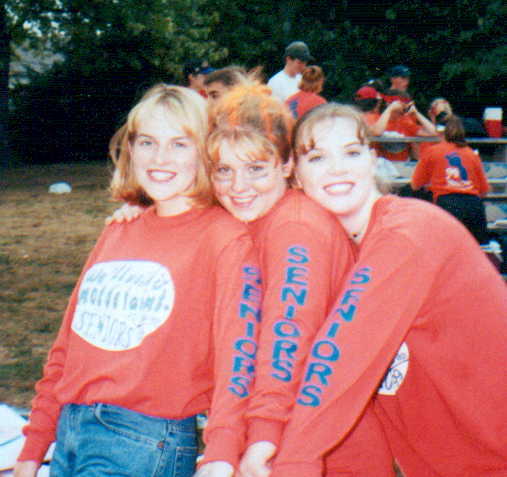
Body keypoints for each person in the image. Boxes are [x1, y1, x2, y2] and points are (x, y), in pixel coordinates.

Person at [14, 85, 260, 477]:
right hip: (71, 435)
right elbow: (69, 348)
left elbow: (238, 356)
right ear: (131, 149)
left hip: (144, 439)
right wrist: (33, 448)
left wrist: (222, 452)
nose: (160, 158)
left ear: (205, 152)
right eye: (148, 142)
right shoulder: (120, 230)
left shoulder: (223, 237)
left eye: (180, 144)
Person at [267, 103, 507, 477]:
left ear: (372, 159)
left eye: (351, 152)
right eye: (317, 157)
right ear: (295, 175)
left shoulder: (407, 232)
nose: (337, 169)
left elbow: (340, 356)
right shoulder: (345, 251)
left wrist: (293, 463)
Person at [207, 83, 394, 477]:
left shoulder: (295, 227)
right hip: (296, 437)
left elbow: (286, 335)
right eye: (224, 170)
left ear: (286, 165)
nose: (238, 187)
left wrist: (262, 436)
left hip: (327, 450)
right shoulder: (255, 222)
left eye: (256, 168)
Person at [411, 114, 490, 244]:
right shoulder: (471, 153)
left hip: (448, 204)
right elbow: (484, 190)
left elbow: (415, 184)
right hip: (474, 206)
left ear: (441, 131)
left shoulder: (432, 151)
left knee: (446, 248)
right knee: (478, 251)